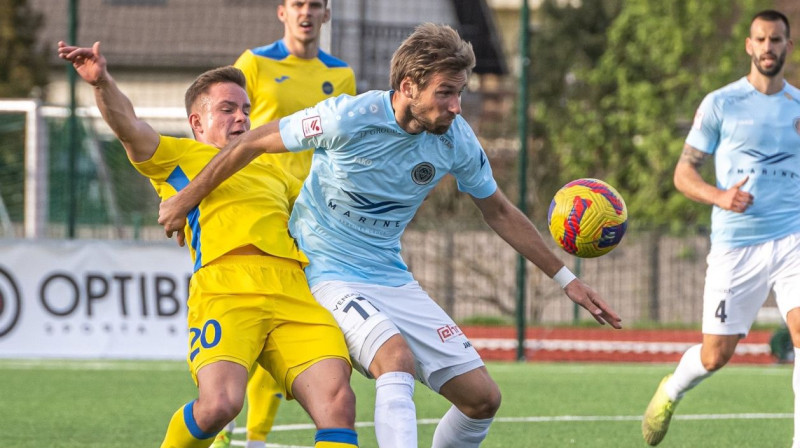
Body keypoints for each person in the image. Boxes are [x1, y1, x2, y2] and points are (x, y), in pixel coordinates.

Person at [158, 23, 622, 448]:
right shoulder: (347, 118)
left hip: (389, 274)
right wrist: (186, 199)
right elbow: (252, 141)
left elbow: (498, 210)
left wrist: (567, 280)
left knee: (482, 400)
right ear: (407, 87)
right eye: (445, 93)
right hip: (323, 268)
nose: (456, 106)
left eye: (460, 93)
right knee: (393, 358)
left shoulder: (456, 139)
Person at [57, 41, 359, 448]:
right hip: (225, 289)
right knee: (219, 404)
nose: (242, 117)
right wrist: (101, 82)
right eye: (228, 109)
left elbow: (321, 222)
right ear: (197, 123)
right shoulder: (178, 156)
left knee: (338, 403)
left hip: (292, 289)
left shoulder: (273, 170)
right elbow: (128, 124)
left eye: (246, 110)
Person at [641, 9, 800, 447]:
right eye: (761, 40)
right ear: (749, 46)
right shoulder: (721, 103)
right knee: (716, 355)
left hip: (793, 240)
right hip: (737, 244)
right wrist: (721, 196)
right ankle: (672, 388)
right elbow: (683, 173)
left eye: (777, 40)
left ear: (788, 45)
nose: (769, 47)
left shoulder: (798, 107)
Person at [216, 0, 356, 446]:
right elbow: (228, 131)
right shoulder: (253, 63)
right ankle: (221, 435)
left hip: (313, 220)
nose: (307, 12)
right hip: (260, 209)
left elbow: (343, 145)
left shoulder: (343, 75)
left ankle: (256, 439)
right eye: (298, 3)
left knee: (288, 324)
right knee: (246, 321)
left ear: (326, 15)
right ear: (282, 11)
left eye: (316, 5)